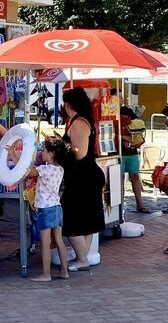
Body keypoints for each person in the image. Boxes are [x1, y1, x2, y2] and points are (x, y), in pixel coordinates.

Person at [9, 136, 71, 281]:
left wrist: (13, 155)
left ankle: (46, 274)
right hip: (57, 207)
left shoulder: (44, 169)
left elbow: (25, 172)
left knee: (45, 243)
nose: (41, 153)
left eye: (43, 150)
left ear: (51, 154)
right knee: (59, 240)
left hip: (45, 209)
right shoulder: (60, 169)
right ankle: (64, 271)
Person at [60, 86, 105, 272]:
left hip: (82, 176)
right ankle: (82, 257)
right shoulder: (82, 120)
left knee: (72, 217)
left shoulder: (78, 123)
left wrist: (60, 149)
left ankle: (82, 258)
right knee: (87, 219)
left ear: (68, 104)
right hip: (86, 175)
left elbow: (79, 153)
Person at [119, 105, 150, 213]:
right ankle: (121, 206)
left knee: (133, 177)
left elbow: (137, 139)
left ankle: (139, 205)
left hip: (130, 153)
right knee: (122, 179)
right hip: (121, 154)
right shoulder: (117, 121)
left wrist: (123, 137)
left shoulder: (130, 123)